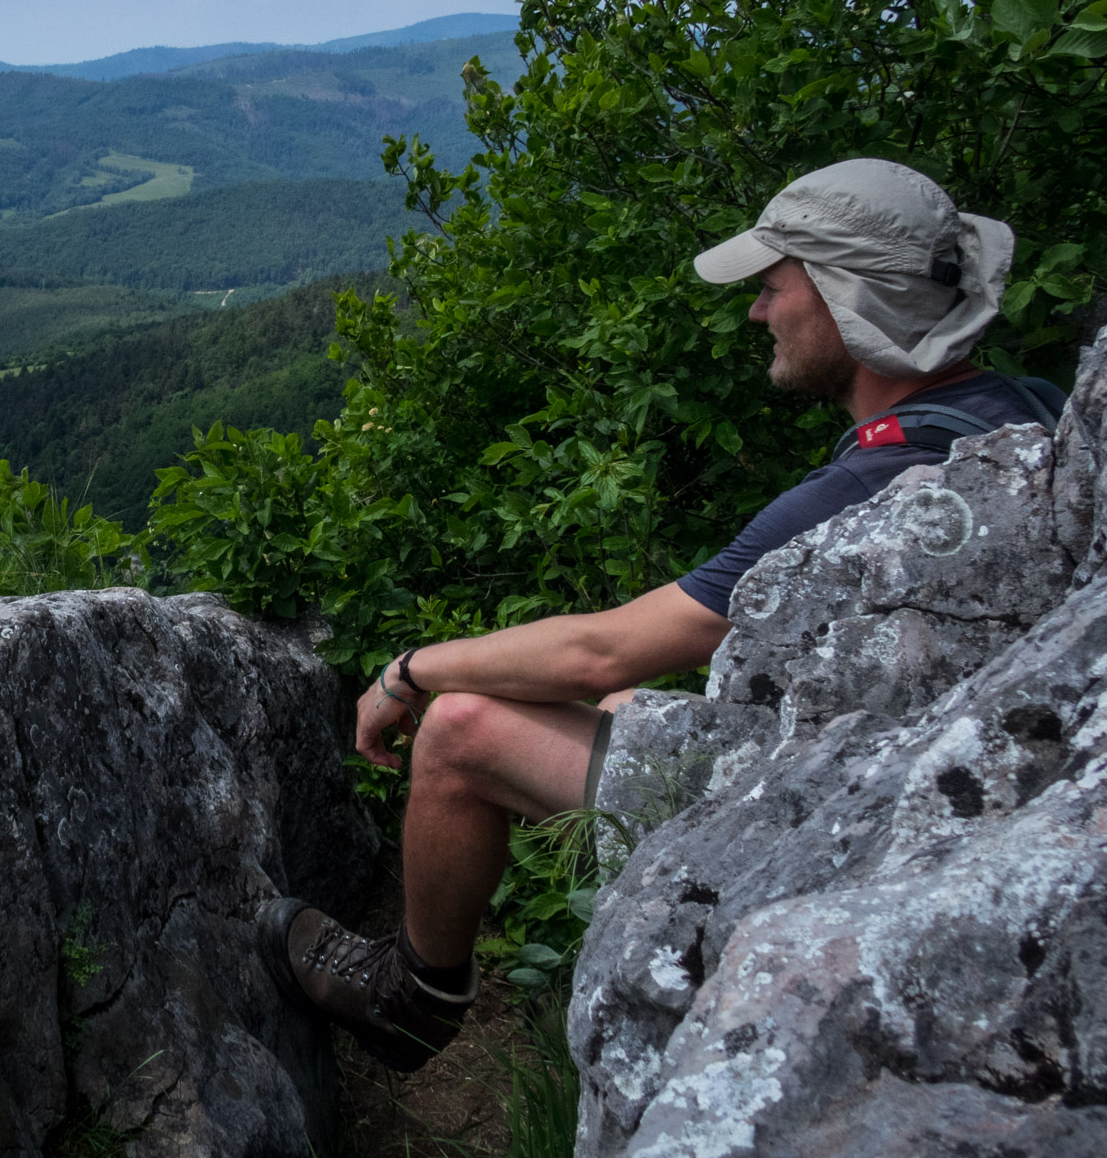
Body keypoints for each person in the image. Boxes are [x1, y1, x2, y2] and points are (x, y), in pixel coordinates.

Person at [258, 157, 1065, 1072]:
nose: (758, 311)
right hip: (927, 781)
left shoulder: (874, 484)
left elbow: (608, 650)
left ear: (848, 298)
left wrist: (410, 669)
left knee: (462, 727)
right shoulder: (1020, 411)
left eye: (772, 287)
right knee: (606, 716)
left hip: (846, 820)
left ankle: (412, 999)